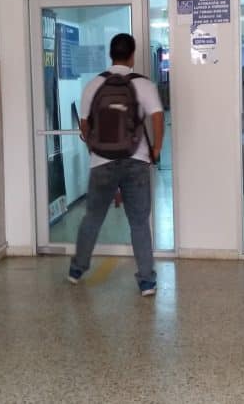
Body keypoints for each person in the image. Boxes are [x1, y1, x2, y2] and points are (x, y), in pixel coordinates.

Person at [68, 33, 164, 296]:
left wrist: (96, 148)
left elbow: (84, 124)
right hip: (136, 161)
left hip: (102, 162)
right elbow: (157, 117)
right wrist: (156, 148)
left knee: (92, 217)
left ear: (111, 55)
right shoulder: (143, 85)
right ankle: (147, 281)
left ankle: (77, 269)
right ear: (132, 55)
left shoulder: (93, 85)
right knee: (139, 222)